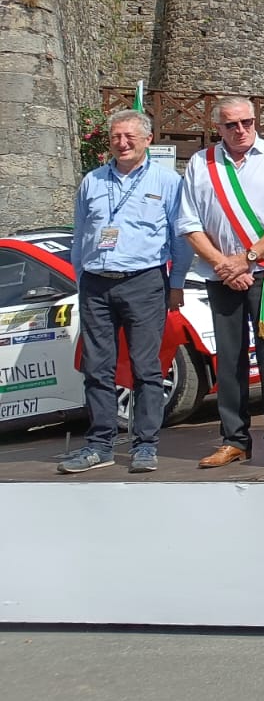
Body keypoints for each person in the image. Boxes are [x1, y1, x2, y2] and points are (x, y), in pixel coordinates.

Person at [59, 110, 193, 474]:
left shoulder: (167, 181)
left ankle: (145, 445)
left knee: (146, 368)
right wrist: (82, 279)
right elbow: (80, 236)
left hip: (144, 282)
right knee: (97, 368)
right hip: (96, 284)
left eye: (130, 136)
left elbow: (180, 238)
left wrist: (176, 283)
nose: (122, 143)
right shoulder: (92, 181)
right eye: (116, 137)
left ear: (147, 140)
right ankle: (99, 445)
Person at [179, 98, 264, 467]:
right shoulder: (201, 163)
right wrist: (224, 265)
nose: (240, 130)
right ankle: (234, 439)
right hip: (220, 274)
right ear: (218, 127)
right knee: (229, 357)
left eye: (246, 122)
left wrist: (245, 259)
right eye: (231, 124)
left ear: (255, 120)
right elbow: (189, 224)